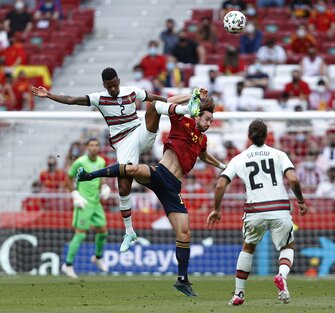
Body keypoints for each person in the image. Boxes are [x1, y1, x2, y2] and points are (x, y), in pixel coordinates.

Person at [31, 67, 201, 253]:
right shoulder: (99, 98)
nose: (113, 89)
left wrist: (187, 97)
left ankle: (187, 110)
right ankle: (129, 232)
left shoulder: (132, 91)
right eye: (109, 86)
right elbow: (72, 100)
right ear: (104, 85)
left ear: (119, 81)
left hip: (140, 133)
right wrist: (49, 95)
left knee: (153, 106)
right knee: (123, 186)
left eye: (115, 85)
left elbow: (160, 100)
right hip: (123, 142)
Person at [77, 92, 225, 296]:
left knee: (184, 233)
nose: (208, 123)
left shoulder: (203, 139)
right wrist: (192, 97)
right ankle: (89, 176)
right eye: (207, 118)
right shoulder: (182, 121)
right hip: (160, 173)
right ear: (198, 115)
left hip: (173, 188)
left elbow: (204, 156)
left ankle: (182, 280)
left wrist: (222, 165)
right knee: (133, 169)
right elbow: (168, 102)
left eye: (211, 121)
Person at [206, 119, 309, 306]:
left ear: (248, 137)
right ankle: (281, 275)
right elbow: (293, 179)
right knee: (287, 246)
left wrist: (216, 209)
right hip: (279, 208)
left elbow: (221, 183)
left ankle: (238, 294)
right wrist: (301, 201)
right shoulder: (279, 155)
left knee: (248, 248)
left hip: (255, 211)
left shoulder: (239, 158)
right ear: (267, 135)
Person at [61, 138, 112, 278]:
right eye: (91, 145)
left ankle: (97, 257)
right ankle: (68, 265)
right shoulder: (80, 162)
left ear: (99, 147)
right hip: (83, 203)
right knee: (80, 234)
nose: (94, 147)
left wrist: (104, 186)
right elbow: (68, 179)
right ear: (87, 147)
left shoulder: (102, 161)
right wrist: (74, 193)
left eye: (96, 145)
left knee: (103, 231)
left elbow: (102, 178)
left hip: (96, 203)